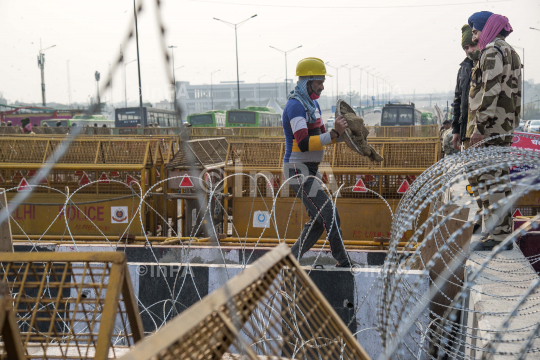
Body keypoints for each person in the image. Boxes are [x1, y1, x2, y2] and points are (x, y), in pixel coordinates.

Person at [282, 57, 351, 267]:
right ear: (307, 82)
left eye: (323, 82)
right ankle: (343, 261)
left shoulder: (313, 104)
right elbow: (303, 143)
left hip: (311, 170)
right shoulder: (295, 106)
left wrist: (343, 134)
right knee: (329, 214)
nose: (322, 86)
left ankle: (290, 260)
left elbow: (324, 136)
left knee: (320, 220)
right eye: (318, 82)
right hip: (298, 170)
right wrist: (332, 134)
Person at [466, 11, 522, 249]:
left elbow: (490, 90)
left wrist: (479, 127)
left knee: (491, 179)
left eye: (476, 31)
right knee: (497, 178)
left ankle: (498, 235)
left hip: (490, 127)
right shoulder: (512, 52)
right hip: (503, 124)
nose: (475, 37)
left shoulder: (491, 52)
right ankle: (497, 231)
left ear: (487, 29)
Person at [452, 25, 477, 150]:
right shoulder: (463, 69)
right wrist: (456, 130)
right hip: (466, 132)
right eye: (466, 48)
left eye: (473, 45)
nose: (469, 50)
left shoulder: (487, 64)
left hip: (482, 133)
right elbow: (458, 101)